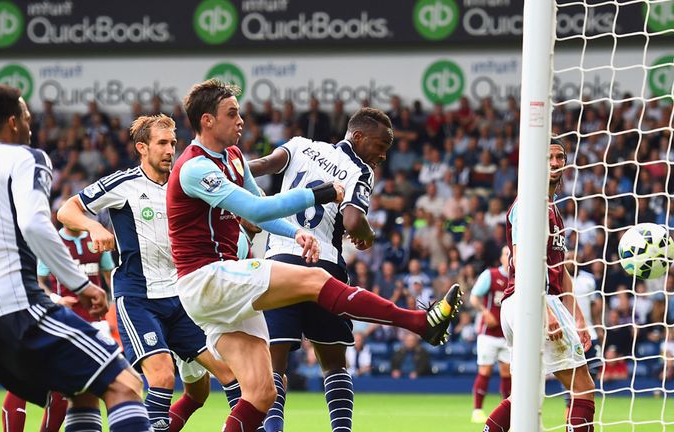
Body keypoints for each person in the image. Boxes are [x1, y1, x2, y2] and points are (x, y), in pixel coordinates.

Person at [167, 79, 462, 432]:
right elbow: (255, 209)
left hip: (224, 286)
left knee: (261, 393)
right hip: (206, 278)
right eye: (232, 114)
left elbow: (261, 206)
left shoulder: (233, 157)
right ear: (207, 121)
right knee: (317, 281)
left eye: (240, 113)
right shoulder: (194, 167)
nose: (241, 120)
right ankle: (417, 322)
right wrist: (318, 194)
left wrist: (296, 231)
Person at [0, 84, 151, 432]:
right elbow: (35, 224)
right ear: (12, 122)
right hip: (18, 311)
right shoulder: (25, 157)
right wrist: (80, 285)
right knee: (124, 382)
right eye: (25, 114)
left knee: (81, 391)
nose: (30, 121)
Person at [57, 113, 240, 432]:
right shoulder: (122, 184)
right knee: (162, 376)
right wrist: (92, 227)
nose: (170, 150)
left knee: (230, 374)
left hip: (181, 297)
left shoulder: (183, 183)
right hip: (138, 297)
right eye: (162, 143)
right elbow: (66, 210)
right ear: (142, 147)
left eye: (173, 143)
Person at [247, 107, 403, 431]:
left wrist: (227, 184)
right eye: (380, 146)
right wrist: (367, 236)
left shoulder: (300, 145)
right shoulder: (359, 169)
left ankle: (273, 428)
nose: (382, 156)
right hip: (324, 269)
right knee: (333, 364)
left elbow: (258, 167)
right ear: (358, 137)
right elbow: (353, 221)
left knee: (275, 362)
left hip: (280, 263)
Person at [484, 138, 595, 432]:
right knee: (583, 386)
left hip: (525, 304)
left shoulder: (553, 210)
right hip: (530, 301)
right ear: (535, 161)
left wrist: (580, 319)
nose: (556, 163)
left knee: (524, 395)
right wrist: (544, 309)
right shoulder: (529, 205)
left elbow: (561, 271)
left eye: (560, 157)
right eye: (549, 157)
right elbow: (523, 261)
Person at [1, 226, 116, 432]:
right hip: (55, 321)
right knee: (22, 381)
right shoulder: (49, 240)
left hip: (92, 324)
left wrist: (116, 305)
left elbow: (109, 276)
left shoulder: (95, 238)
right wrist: (56, 299)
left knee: (73, 390)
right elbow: (38, 282)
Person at [468, 246, 512, 424]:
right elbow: (474, 297)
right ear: (501, 257)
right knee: (485, 370)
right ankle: (477, 410)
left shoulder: (519, 278)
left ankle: (507, 411)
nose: (509, 257)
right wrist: (484, 312)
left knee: (507, 373)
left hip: (509, 335)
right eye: (506, 254)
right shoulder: (491, 275)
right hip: (489, 334)